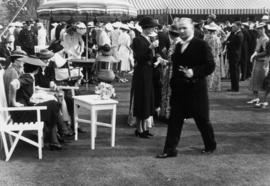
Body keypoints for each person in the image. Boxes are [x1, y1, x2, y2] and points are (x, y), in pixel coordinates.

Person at [156, 18, 216, 158]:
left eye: (184, 28)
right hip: (178, 91)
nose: (181, 31)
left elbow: (210, 65)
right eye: (179, 29)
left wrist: (194, 72)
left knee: (202, 120)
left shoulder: (201, 45)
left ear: (192, 28)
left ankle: (210, 145)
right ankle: (169, 150)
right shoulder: (178, 46)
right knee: (174, 121)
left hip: (196, 91)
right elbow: (176, 66)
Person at [3, 55, 63, 150]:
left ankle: (54, 137)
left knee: (52, 104)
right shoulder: (28, 77)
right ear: (36, 70)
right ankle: (57, 134)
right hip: (21, 114)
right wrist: (13, 102)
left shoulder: (26, 76)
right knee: (53, 104)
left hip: (21, 111)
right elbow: (13, 84)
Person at [130, 16, 159, 138]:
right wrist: (150, 48)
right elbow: (140, 57)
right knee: (142, 100)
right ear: (146, 28)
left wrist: (156, 58)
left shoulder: (147, 39)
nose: (153, 29)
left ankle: (144, 128)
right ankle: (139, 129)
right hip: (141, 73)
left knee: (147, 100)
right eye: (151, 27)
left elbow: (149, 57)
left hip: (147, 73)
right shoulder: (138, 40)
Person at [247, 23, 270, 105]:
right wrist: (253, 55)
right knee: (254, 80)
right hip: (258, 61)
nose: (258, 30)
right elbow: (257, 49)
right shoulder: (260, 38)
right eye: (257, 29)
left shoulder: (266, 39)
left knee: (263, 81)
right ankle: (256, 98)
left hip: (263, 62)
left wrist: (256, 55)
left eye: (259, 29)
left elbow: (266, 52)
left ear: (263, 29)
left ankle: (264, 100)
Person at [226, 21, 244, 92]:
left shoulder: (240, 35)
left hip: (235, 56)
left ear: (238, 27)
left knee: (235, 72)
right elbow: (228, 40)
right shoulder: (233, 33)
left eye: (234, 26)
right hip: (231, 55)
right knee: (232, 72)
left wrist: (229, 43)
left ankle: (235, 87)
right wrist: (228, 42)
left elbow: (234, 45)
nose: (232, 27)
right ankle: (233, 86)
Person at [204, 23, 222, 91]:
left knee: (209, 71)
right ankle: (215, 87)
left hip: (208, 56)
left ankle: (209, 86)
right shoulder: (217, 38)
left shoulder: (206, 37)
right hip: (216, 56)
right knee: (215, 71)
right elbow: (220, 48)